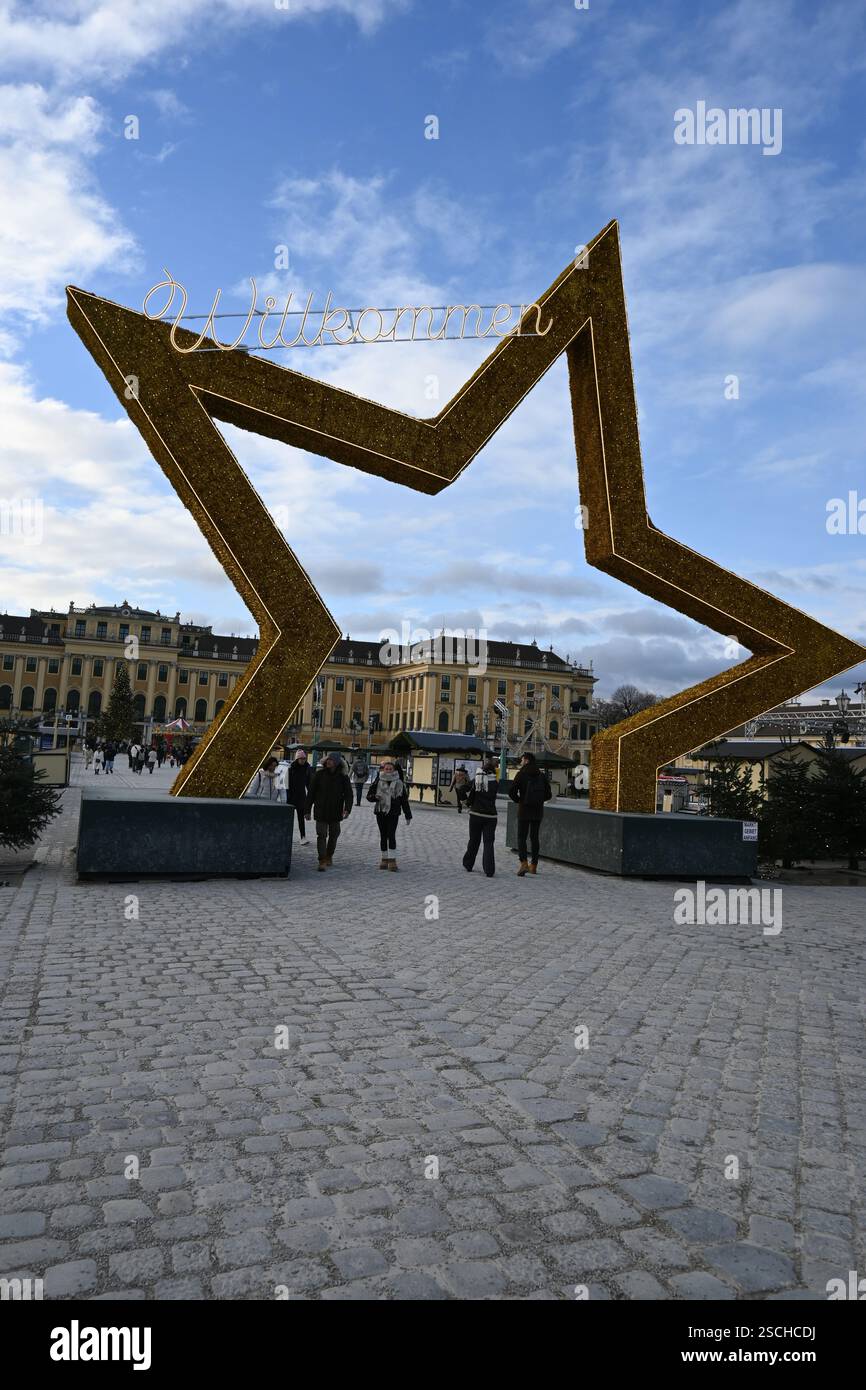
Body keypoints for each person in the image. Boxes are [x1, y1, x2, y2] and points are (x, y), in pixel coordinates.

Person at [305, 751, 352, 870]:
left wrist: (347, 809)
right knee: (321, 834)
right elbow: (311, 793)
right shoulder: (319, 775)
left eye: (331, 760)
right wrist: (307, 810)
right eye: (327, 760)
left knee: (334, 834)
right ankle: (322, 860)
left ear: (336, 762)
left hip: (336, 810)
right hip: (320, 809)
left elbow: (348, 794)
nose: (328, 761)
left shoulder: (343, 777)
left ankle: (329, 855)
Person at [509, 751, 553, 875]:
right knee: (534, 838)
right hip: (537, 811)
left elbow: (511, 792)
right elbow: (548, 795)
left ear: (527, 760)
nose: (521, 762)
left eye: (522, 760)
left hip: (524, 810)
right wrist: (538, 801)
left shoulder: (521, 774)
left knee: (521, 837)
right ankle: (534, 865)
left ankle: (523, 863)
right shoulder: (541, 775)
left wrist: (520, 801)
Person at [367, 757, 412, 870]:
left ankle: (392, 860)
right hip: (380, 811)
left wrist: (408, 814)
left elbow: (404, 800)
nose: (388, 770)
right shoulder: (378, 781)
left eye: (390, 769)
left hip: (394, 812)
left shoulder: (399, 783)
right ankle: (384, 859)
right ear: (383, 770)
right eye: (386, 768)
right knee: (383, 835)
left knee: (391, 835)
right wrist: (375, 797)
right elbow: (369, 796)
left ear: (394, 770)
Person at [462, 758, 499, 877]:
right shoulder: (495, 783)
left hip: (476, 815)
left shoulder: (477, 779)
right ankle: (489, 870)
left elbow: (462, 788)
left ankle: (468, 864)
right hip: (491, 816)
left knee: (474, 840)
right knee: (488, 843)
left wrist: (466, 801)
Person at [278, 748, 312, 845]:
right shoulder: (291, 769)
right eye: (301, 758)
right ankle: (285, 836)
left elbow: (309, 783)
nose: (303, 760)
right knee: (289, 819)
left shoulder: (307, 769)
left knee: (301, 819)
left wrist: (310, 795)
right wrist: (287, 797)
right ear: (297, 759)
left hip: (302, 797)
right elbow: (285, 784)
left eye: (304, 758)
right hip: (291, 797)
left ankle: (303, 837)